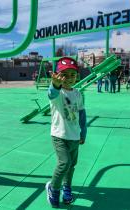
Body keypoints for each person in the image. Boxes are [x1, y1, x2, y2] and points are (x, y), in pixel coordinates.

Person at [46, 57, 87, 208]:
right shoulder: (58, 93)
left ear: (77, 75)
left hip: (74, 136)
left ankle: (67, 187)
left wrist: (83, 133)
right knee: (64, 163)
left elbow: (82, 114)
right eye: (65, 75)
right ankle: (53, 188)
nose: (69, 78)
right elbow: (51, 93)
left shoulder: (77, 93)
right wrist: (54, 85)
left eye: (72, 74)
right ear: (58, 76)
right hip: (59, 136)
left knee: (72, 165)